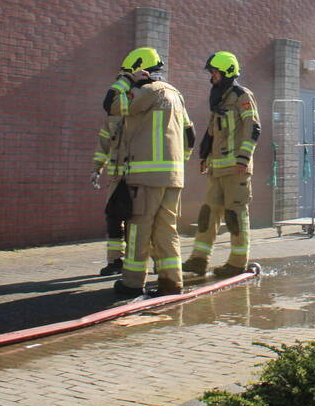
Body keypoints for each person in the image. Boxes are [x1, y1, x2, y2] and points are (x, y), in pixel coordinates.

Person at [103, 47, 196, 297]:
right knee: (167, 230)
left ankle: (132, 284)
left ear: (139, 70)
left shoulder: (145, 92)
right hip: (173, 178)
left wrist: (125, 82)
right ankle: (171, 281)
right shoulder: (176, 94)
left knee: (138, 228)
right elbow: (191, 136)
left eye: (127, 73)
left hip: (145, 177)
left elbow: (110, 105)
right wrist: (175, 165)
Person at [183, 51, 260, 279]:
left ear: (226, 72)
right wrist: (205, 156)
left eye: (214, 72)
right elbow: (212, 131)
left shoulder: (241, 96)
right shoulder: (220, 99)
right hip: (217, 169)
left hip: (236, 169)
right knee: (208, 213)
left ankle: (237, 263)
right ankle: (199, 260)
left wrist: (244, 159)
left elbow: (252, 128)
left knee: (235, 215)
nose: (211, 77)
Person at [90, 109, 126, 276]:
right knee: (113, 219)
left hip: (137, 178)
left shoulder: (144, 114)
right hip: (115, 180)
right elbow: (103, 145)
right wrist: (97, 169)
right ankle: (115, 261)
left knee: (140, 222)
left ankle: (155, 261)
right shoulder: (111, 120)